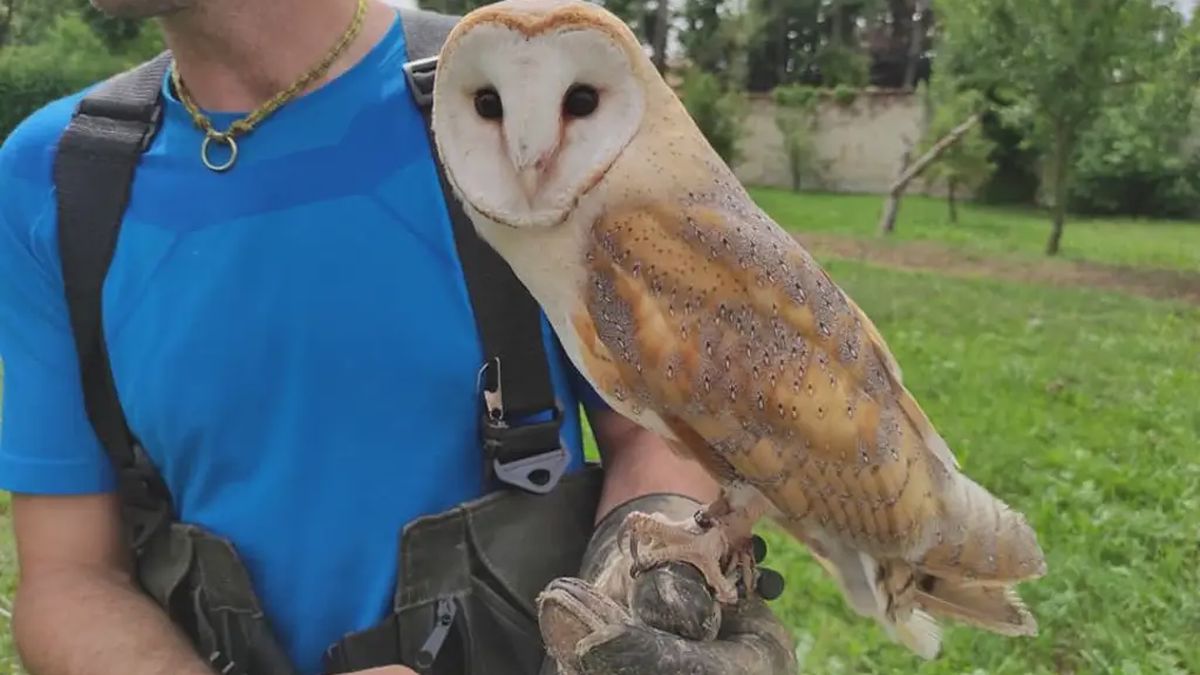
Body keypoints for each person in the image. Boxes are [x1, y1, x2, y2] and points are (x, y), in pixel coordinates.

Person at [0, 1, 796, 673]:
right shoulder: (58, 178)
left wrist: (642, 589)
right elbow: (69, 576)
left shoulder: (531, 97)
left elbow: (668, 437)